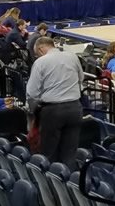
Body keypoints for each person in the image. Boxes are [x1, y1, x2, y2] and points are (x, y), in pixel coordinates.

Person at [26, 37, 84, 167]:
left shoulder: (41, 62)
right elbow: (81, 78)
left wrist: (33, 109)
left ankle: (51, 184)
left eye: (36, 54)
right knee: (70, 153)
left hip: (53, 111)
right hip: (75, 109)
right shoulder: (72, 57)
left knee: (49, 153)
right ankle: (70, 183)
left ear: (41, 49)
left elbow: (32, 92)